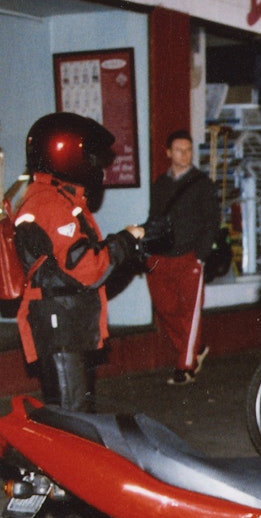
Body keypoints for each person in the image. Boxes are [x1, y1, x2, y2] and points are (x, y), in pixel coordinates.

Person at [12, 112, 146, 411]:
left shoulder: (57, 197)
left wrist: (122, 242)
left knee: (74, 412)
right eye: (89, 155)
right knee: (72, 418)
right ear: (66, 153)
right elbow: (86, 267)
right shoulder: (50, 203)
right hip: (60, 325)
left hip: (66, 321)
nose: (95, 164)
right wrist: (124, 241)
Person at [146, 129, 220, 386]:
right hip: (161, 256)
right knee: (165, 308)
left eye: (188, 149)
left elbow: (212, 220)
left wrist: (201, 255)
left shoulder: (202, 183)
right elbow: (154, 217)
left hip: (189, 256)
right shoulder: (161, 183)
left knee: (190, 312)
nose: (185, 154)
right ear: (168, 153)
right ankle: (195, 348)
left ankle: (185, 365)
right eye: (179, 149)